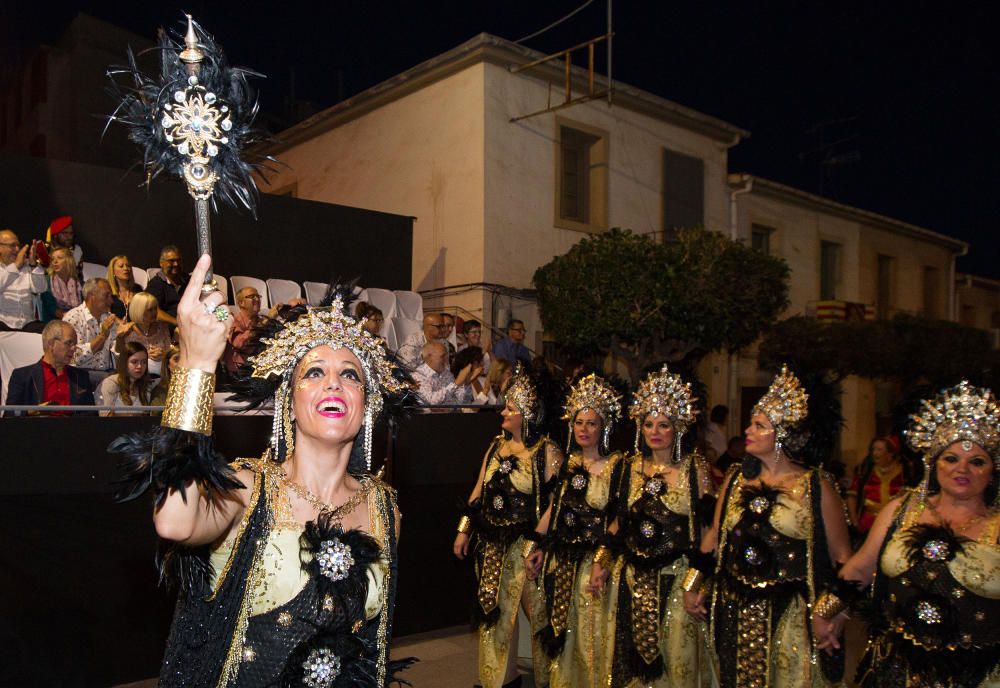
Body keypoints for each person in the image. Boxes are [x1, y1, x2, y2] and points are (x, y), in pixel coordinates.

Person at [111, 255, 413, 687]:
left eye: (351, 375)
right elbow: (174, 521)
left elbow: (371, 648)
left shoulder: (385, 509)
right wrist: (197, 364)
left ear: (367, 405)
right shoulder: (248, 488)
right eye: (314, 372)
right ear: (288, 402)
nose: (334, 383)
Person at [812, 381, 1000, 688]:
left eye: (977, 461)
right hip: (895, 669)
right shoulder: (903, 509)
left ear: (993, 469)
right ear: (933, 463)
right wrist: (826, 612)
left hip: (977, 676)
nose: (961, 469)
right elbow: (861, 567)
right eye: (951, 458)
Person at [683, 365, 851, 688]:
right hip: (732, 608)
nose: (747, 430)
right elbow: (715, 536)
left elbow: (844, 559)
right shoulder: (735, 478)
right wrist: (693, 584)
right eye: (751, 423)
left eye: (758, 426)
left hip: (790, 620)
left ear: (782, 435)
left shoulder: (815, 486)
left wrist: (830, 614)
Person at [589, 366, 714, 686]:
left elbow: (709, 528)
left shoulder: (693, 468)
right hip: (631, 577)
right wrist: (600, 562)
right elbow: (619, 521)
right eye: (648, 424)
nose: (655, 431)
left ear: (678, 429)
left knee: (677, 662)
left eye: (664, 425)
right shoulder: (631, 467)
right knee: (628, 660)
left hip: (676, 577)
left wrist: (695, 581)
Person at [453, 367, 563, 688]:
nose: (504, 412)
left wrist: (539, 544)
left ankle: (552, 681)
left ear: (526, 414)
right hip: (491, 547)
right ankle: (497, 681)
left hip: (527, 549)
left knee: (539, 618)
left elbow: (557, 503)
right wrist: (464, 529)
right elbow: (478, 492)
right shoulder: (496, 447)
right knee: (494, 618)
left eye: (511, 409)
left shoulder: (546, 452)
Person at [535, 374, 625, 687]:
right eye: (578, 422)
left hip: (595, 561)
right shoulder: (569, 461)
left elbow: (619, 517)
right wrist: (536, 544)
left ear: (604, 428)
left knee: (591, 634)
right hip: (563, 560)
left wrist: (603, 558)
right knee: (563, 630)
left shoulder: (616, 465)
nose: (583, 429)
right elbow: (554, 508)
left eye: (591, 423)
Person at [5, 320, 94, 416]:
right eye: (69, 343)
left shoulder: (81, 377)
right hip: (37, 428)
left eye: (74, 345)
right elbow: (10, 414)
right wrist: (33, 411)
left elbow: (91, 415)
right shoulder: (22, 376)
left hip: (72, 429)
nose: (73, 349)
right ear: (51, 344)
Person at [845, 436, 907, 536]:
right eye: (873, 449)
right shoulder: (866, 471)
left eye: (879, 450)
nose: (875, 453)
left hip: (895, 522)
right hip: (868, 524)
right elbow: (852, 496)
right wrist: (854, 521)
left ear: (890, 454)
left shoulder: (905, 472)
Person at [63, 277, 121, 372]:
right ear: (91, 296)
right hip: (79, 375)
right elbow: (74, 356)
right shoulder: (72, 318)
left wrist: (121, 338)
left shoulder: (108, 318)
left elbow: (117, 354)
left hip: (107, 373)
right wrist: (102, 336)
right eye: (106, 296)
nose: (111, 301)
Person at [0, 228, 47, 330]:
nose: (17, 249)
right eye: (12, 246)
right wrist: (16, 266)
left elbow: (41, 288)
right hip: (4, 323)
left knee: (51, 331)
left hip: (28, 324)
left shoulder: (26, 267)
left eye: (18, 245)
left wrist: (33, 264)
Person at [119, 292, 172, 376]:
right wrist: (145, 355)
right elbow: (122, 359)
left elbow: (170, 353)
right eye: (150, 310)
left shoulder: (162, 327)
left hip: (162, 376)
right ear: (139, 311)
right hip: (136, 377)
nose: (154, 313)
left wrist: (164, 354)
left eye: (155, 309)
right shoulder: (127, 331)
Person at [98, 340, 156, 416]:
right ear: (124, 362)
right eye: (134, 362)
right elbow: (105, 416)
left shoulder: (147, 386)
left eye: (144, 362)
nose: (140, 366)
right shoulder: (111, 383)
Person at [411, 340, 476, 406]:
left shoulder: (447, 374)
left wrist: (466, 384)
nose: (446, 359)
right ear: (429, 357)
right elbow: (431, 401)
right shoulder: (418, 375)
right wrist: (456, 384)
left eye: (447, 356)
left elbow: (462, 402)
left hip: (450, 415)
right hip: (428, 416)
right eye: (442, 356)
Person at [223, 286, 263, 374]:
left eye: (258, 296)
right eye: (252, 297)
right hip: (238, 371)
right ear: (241, 303)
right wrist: (261, 326)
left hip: (258, 367)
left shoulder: (262, 320)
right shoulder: (234, 321)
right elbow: (239, 343)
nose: (257, 299)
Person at [145, 245, 188, 325]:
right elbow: (154, 311)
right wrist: (178, 323)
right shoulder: (156, 284)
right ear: (161, 263)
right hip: (171, 328)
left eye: (178, 260)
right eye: (171, 261)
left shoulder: (188, 280)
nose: (176, 264)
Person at [45, 247, 82, 319]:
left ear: (69, 261)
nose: (55, 261)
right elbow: (50, 308)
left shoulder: (78, 282)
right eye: (53, 259)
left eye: (59, 258)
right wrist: (70, 318)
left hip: (77, 318)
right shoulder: (47, 281)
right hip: (55, 321)